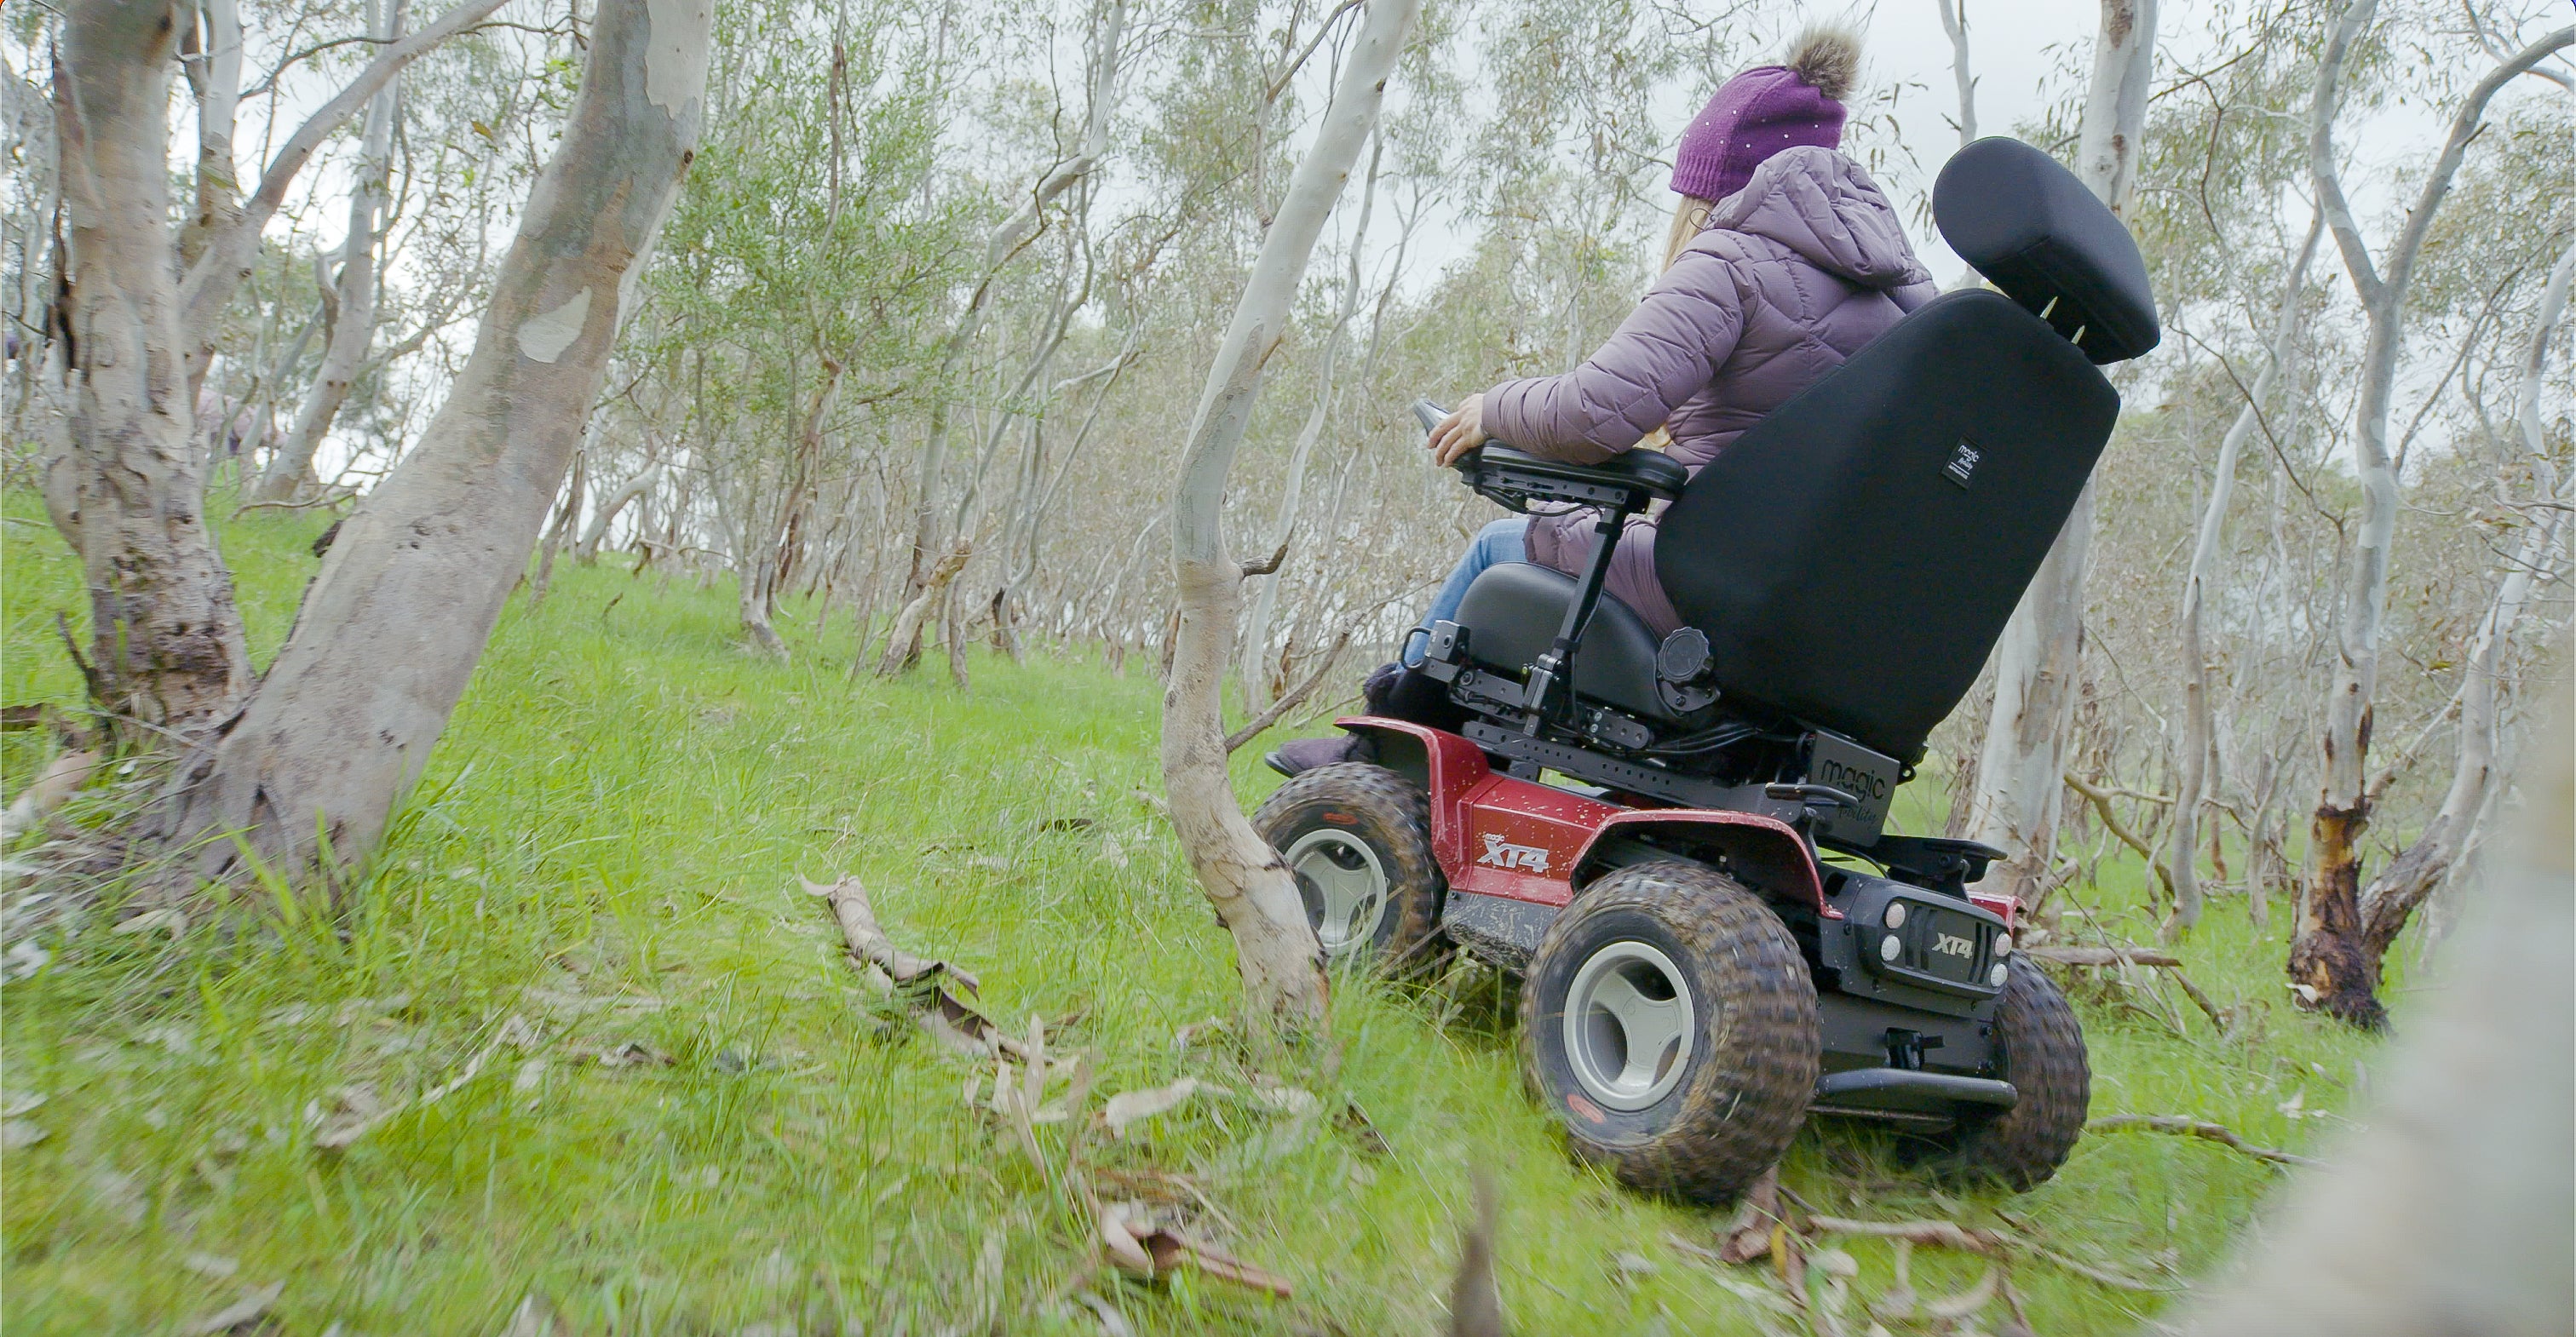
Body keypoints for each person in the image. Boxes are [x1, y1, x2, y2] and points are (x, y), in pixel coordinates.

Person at [1271, 26, 1935, 777]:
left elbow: (1594, 412)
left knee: (1497, 549)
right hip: (1828, 626)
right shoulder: (1911, 300)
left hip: (1718, 597)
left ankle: (1379, 756)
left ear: (1715, 180)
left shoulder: (1734, 256)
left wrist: (1493, 410)